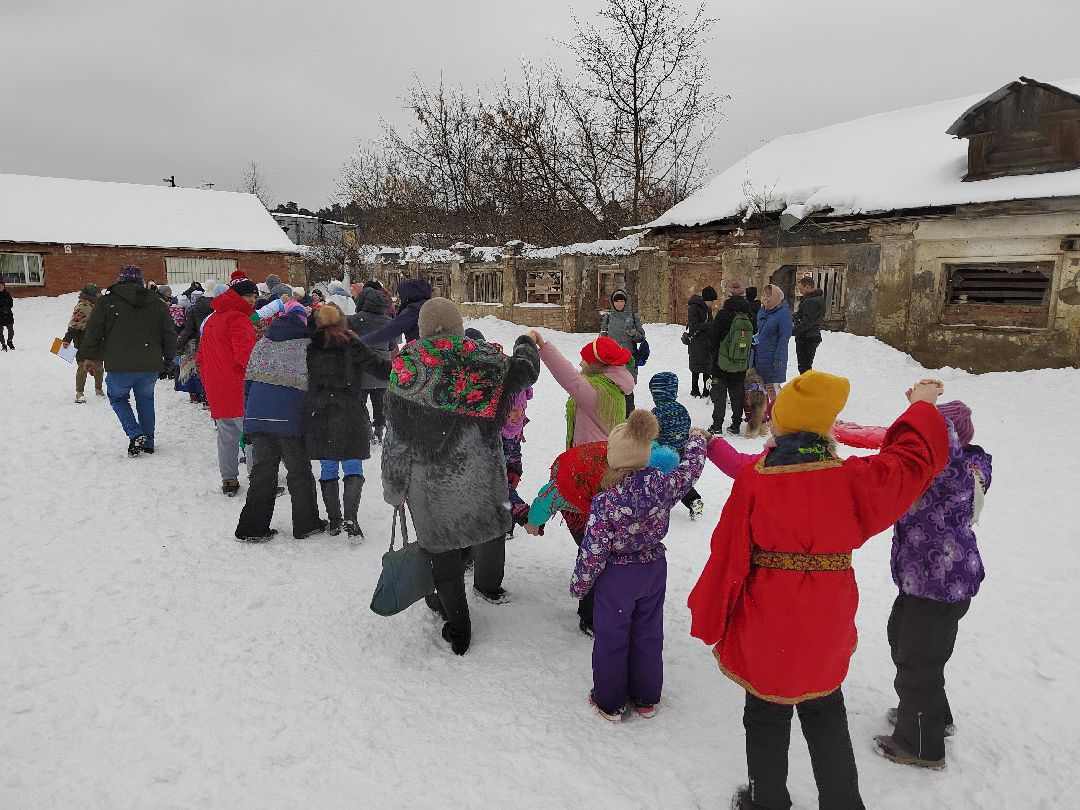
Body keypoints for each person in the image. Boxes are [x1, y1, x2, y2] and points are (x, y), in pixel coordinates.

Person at [687, 372, 950, 810]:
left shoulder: (757, 480)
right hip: (825, 617)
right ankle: (843, 801)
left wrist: (712, 612)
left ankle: (766, 800)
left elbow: (728, 554)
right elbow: (910, 462)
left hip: (767, 617)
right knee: (825, 708)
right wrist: (922, 406)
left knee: (766, 714)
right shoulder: (850, 480)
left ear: (781, 426)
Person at [381, 298, 540, 654]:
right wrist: (525, 343)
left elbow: (396, 441)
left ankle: (458, 624)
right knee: (478, 534)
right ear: (458, 325)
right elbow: (526, 370)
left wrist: (394, 487)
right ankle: (484, 585)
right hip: (480, 480)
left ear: (421, 330)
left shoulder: (408, 368)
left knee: (443, 556)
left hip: (429, 488)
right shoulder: (485, 360)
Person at [874, 400, 993, 770]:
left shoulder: (958, 470)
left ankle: (920, 745)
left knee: (918, 660)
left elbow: (946, 455)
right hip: (926, 583)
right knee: (907, 642)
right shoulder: (950, 468)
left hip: (937, 586)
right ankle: (931, 716)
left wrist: (925, 408)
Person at [573, 410, 708, 721]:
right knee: (648, 632)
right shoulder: (664, 485)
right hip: (653, 569)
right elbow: (690, 470)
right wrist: (697, 441)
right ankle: (646, 698)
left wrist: (580, 584)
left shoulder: (607, 500)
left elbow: (593, 548)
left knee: (612, 636)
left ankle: (610, 701)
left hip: (617, 575)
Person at [524, 441, 680, 636]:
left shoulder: (646, 458)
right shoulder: (574, 481)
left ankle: (613, 604)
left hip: (607, 498)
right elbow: (547, 498)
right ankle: (590, 617)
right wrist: (534, 522)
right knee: (595, 557)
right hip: (582, 498)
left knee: (610, 558)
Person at [235, 301, 325, 542]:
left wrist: (248, 420)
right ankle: (307, 524)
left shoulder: (262, 343)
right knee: (299, 471)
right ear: (303, 321)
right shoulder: (307, 346)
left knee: (263, 473)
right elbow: (314, 386)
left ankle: (252, 528)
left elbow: (248, 384)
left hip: (258, 416)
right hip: (289, 418)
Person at [304, 303, 390, 539]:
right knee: (353, 465)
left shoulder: (311, 346)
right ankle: (351, 518)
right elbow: (381, 370)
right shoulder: (351, 344)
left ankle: (334, 521)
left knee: (328, 466)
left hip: (320, 412)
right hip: (350, 410)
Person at [77, 266, 177, 456]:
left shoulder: (106, 302)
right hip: (150, 365)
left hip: (119, 364)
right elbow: (169, 334)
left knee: (117, 398)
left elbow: (93, 332)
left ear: (120, 280)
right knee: (146, 400)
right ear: (141, 281)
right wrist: (169, 357)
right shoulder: (157, 302)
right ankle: (148, 442)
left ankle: (135, 433)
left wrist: (89, 357)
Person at [197, 280, 259, 496]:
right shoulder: (239, 319)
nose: (252, 299)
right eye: (248, 295)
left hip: (217, 388)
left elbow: (201, 357)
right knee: (253, 436)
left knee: (226, 437)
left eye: (255, 296)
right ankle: (258, 480)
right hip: (240, 387)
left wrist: (208, 383)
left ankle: (229, 480)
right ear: (236, 296)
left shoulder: (212, 319)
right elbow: (247, 358)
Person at [532, 333, 633, 449]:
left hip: (589, 457)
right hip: (608, 453)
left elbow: (568, 375)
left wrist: (542, 344)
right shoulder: (614, 387)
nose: (580, 363)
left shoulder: (595, 391)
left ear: (595, 365)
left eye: (584, 359)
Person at [649, 372, 704, 520]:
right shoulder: (682, 408)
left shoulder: (657, 412)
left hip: (663, 454)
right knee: (680, 480)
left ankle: (656, 507)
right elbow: (686, 427)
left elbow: (651, 433)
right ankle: (694, 500)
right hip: (681, 450)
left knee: (660, 481)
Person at [347, 284, 397, 443]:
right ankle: (379, 430)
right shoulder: (389, 322)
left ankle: (367, 430)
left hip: (360, 368)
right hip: (382, 368)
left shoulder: (353, 320)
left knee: (360, 403)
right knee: (380, 403)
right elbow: (392, 346)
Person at [707, 281, 755, 436]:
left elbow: (713, 338)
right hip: (740, 362)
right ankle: (735, 424)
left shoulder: (723, 314)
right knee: (737, 394)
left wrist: (716, 353)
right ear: (743, 295)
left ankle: (717, 425)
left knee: (720, 394)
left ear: (729, 295)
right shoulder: (750, 315)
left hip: (721, 361)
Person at [600, 289, 645, 410]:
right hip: (611, 361)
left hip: (628, 360)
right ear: (612, 302)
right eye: (616, 301)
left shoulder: (633, 317)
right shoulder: (608, 318)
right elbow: (601, 340)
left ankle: (629, 418)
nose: (619, 303)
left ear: (626, 302)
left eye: (621, 301)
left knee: (627, 390)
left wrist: (634, 334)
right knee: (611, 389)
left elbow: (641, 338)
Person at [754, 284, 793, 414]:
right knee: (763, 386)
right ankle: (767, 413)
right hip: (761, 354)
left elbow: (784, 337)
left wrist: (779, 357)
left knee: (772, 386)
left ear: (775, 297)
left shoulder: (783, 313)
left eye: (768, 296)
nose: (765, 299)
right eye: (763, 295)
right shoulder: (763, 310)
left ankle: (780, 413)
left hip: (773, 356)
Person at [359, 277, 431, 347]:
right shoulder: (428, 305)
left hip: (422, 351)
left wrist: (361, 342)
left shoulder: (414, 309)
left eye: (401, 294)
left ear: (409, 294)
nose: (399, 297)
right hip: (432, 350)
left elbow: (390, 330)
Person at [61, 284, 103, 402]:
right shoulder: (83, 305)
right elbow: (74, 323)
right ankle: (80, 393)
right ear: (92, 294)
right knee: (82, 367)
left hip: (96, 340)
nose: (101, 294)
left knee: (99, 366)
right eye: (98, 292)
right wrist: (67, 339)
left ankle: (99, 390)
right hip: (83, 340)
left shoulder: (97, 305)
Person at [687, 286, 718, 397]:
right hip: (696, 341)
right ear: (706, 299)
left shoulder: (707, 308)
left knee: (706, 367)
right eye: (712, 301)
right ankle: (694, 389)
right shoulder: (694, 307)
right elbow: (693, 325)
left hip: (706, 341)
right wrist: (709, 325)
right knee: (695, 367)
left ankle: (706, 390)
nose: (713, 303)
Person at [793, 277, 826, 374]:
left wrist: (791, 331)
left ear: (807, 287)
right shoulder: (818, 299)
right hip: (812, 336)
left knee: (804, 368)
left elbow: (807, 323)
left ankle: (806, 387)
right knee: (806, 366)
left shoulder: (811, 301)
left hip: (807, 337)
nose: (800, 292)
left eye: (801, 289)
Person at [0, 281, 13, 351]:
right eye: (0, 285)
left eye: (2, 285)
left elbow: (11, 304)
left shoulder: (7, 294)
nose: (1, 286)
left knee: (11, 331)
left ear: (4, 286)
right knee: (0, 332)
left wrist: (7, 309)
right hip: (0, 316)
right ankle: (3, 344)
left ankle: (9, 342)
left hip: (8, 315)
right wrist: (1, 309)